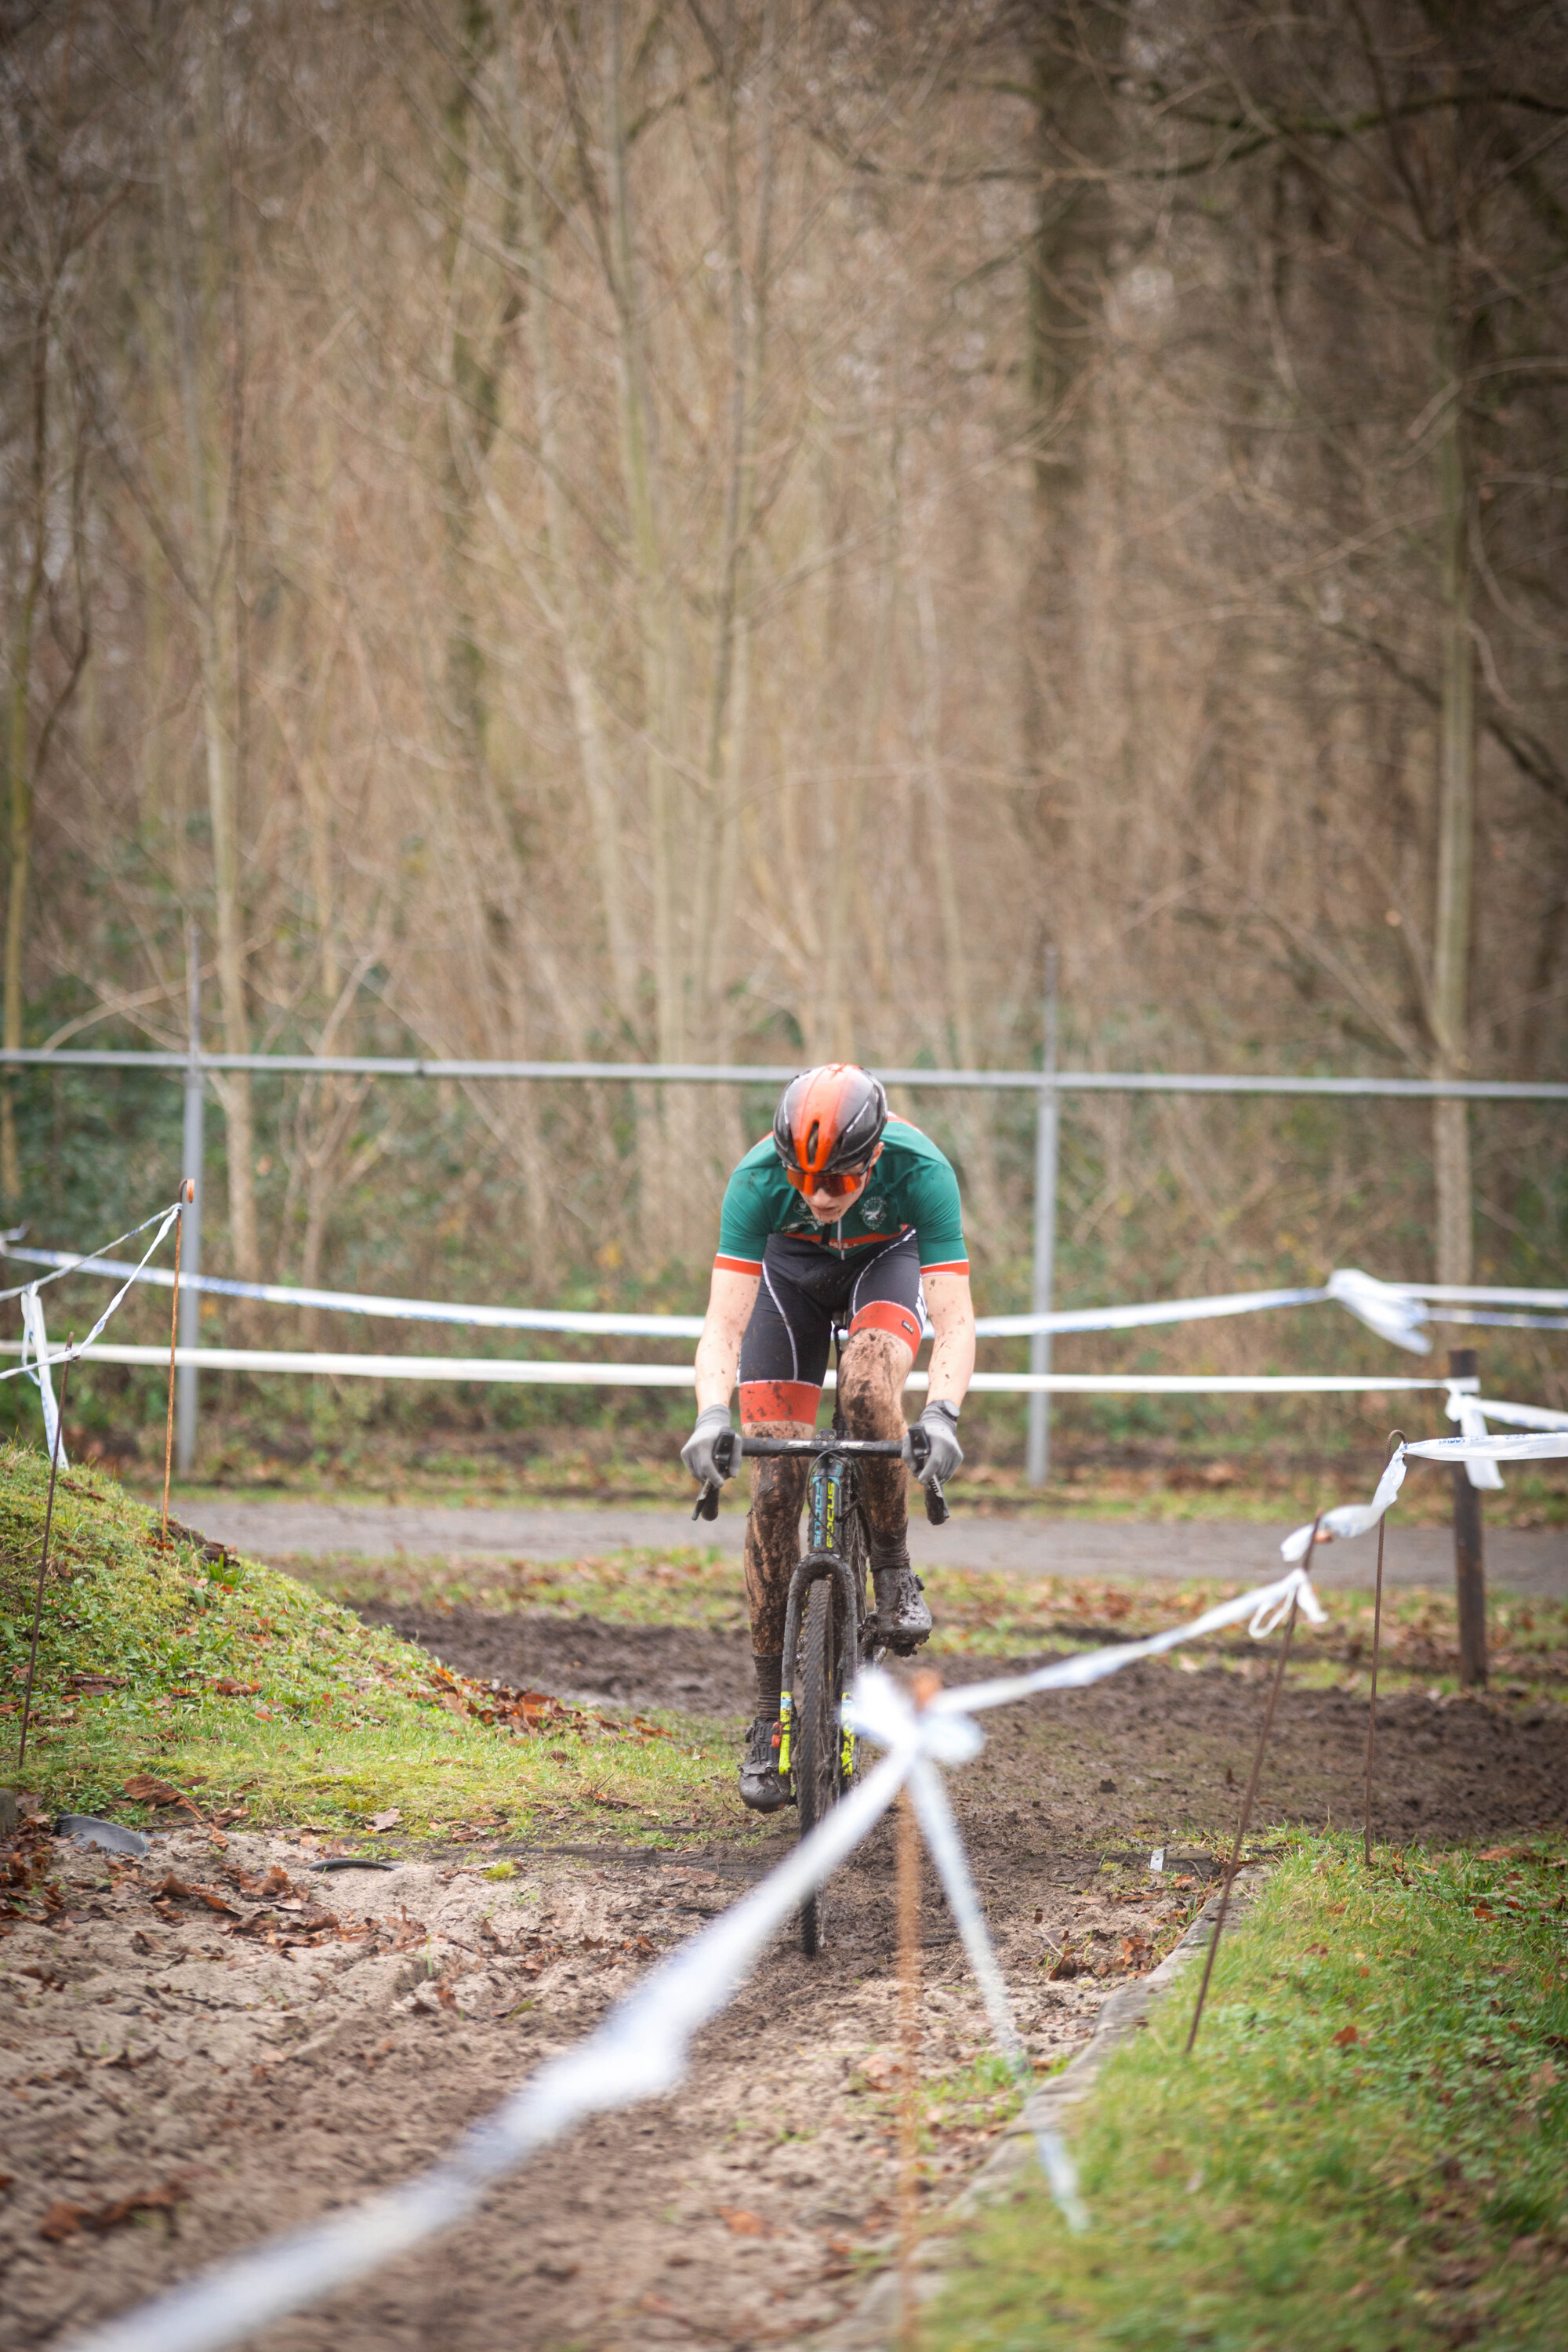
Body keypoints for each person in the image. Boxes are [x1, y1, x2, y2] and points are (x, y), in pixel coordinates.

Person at [681, 1064, 975, 1813]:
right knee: (775, 1481)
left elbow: (959, 1319)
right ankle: (764, 1712)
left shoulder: (921, 1170)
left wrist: (940, 1414)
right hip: (791, 1282)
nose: (818, 1197)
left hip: (883, 1265)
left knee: (872, 1392)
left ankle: (893, 1565)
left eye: (838, 1183)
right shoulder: (755, 1182)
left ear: (872, 1160)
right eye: (802, 1178)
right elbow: (724, 1322)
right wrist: (713, 1414)